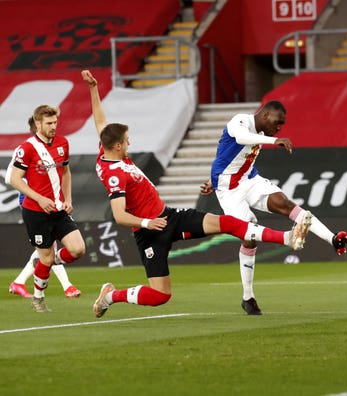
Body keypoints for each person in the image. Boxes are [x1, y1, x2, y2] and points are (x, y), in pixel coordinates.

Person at [81, 70, 312, 318]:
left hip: (169, 216)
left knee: (228, 223)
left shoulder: (108, 148)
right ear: (116, 146)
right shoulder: (113, 174)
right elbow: (119, 215)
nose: (129, 143)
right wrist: (149, 222)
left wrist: (94, 89)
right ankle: (110, 295)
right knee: (160, 296)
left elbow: (101, 124)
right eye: (126, 141)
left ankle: (287, 238)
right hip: (150, 233)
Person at [199, 100, 347, 315]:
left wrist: (214, 180)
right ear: (266, 115)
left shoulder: (260, 132)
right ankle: (248, 296)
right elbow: (241, 138)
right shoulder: (240, 121)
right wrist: (274, 139)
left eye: (281, 126)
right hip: (229, 190)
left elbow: (231, 158)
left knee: (285, 203)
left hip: (249, 179)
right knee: (248, 235)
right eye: (278, 123)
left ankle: (332, 239)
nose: (280, 128)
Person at [8, 107, 87, 312]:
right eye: (49, 123)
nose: (53, 126)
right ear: (38, 124)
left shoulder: (63, 143)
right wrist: (39, 198)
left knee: (78, 249)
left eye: (55, 122)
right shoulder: (27, 148)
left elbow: (66, 172)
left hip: (58, 209)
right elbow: (14, 179)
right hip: (35, 211)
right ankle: (38, 297)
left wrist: (68, 198)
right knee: (46, 257)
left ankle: (45, 263)